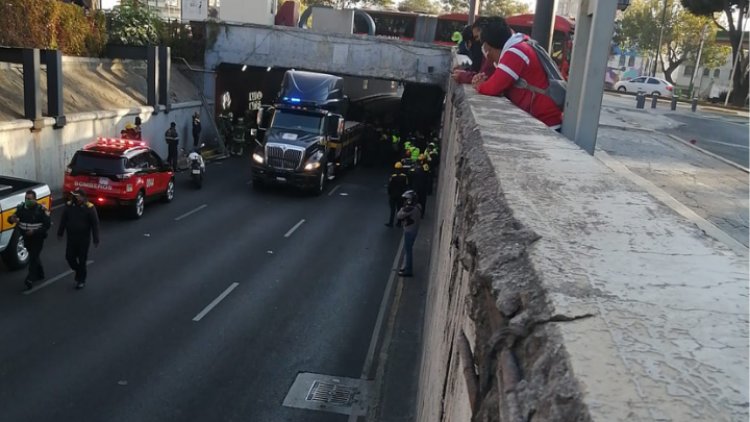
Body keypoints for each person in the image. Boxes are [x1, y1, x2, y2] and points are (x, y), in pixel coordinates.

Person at [473, 17, 563, 130]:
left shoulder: (516, 52)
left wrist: (480, 85)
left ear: (489, 47)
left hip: (547, 123)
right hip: (544, 120)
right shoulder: (521, 44)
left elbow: (493, 87)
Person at [7, 190, 51, 290]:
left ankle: (30, 278)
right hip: (26, 238)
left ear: (35, 199)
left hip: (37, 238)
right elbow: (11, 219)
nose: (27, 200)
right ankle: (40, 273)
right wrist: (12, 219)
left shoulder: (40, 210)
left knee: (33, 257)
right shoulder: (21, 209)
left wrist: (34, 232)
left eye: (29, 199)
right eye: (26, 198)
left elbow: (47, 225)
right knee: (33, 255)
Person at [57, 189, 100, 290]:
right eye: (75, 196)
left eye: (79, 196)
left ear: (83, 197)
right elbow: (63, 220)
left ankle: (81, 280)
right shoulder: (69, 206)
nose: (76, 198)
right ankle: (78, 271)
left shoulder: (89, 208)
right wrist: (60, 233)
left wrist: (96, 239)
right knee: (69, 257)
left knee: (82, 260)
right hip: (71, 238)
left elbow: (95, 224)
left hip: (83, 239)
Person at [396, 190, 422, 277]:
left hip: (409, 231)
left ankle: (408, 269)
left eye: (406, 199)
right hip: (413, 231)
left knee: (408, 251)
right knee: (408, 250)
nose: (405, 201)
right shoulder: (418, 206)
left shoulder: (410, 209)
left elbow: (399, 215)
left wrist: (403, 208)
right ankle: (406, 266)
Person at [386, 162, 409, 228]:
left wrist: (389, 193)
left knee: (392, 210)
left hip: (393, 195)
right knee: (399, 209)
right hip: (401, 196)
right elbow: (406, 186)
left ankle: (391, 223)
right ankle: (399, 223)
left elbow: (389, 186)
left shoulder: (393, 176)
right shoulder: (404, 177)